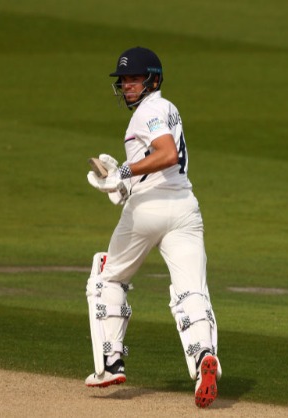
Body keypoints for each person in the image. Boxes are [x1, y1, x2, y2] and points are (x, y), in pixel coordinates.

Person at [84, 46, 221, 409]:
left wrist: (123, 173)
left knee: (107, 276)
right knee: (191, 292)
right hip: (185, 210)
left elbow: (166, 154)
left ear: (153, 80)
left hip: (149, 210)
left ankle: (110, 364)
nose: (127, 86)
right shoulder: (168, 108)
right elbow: (163, 163)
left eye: (134, 78)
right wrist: (120, 185)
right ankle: (205, 357)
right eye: (123, 80)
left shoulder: (149, 111)